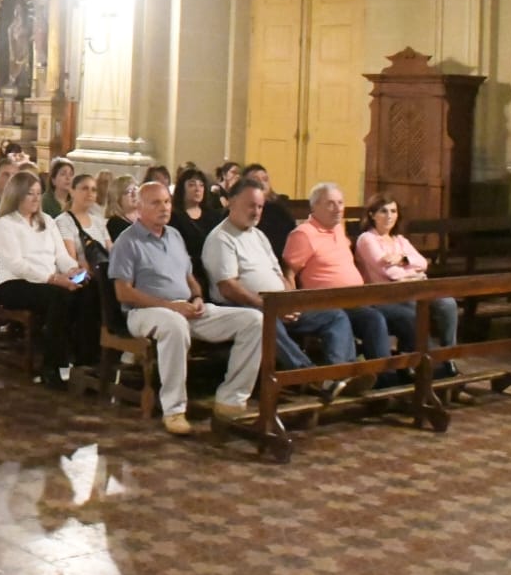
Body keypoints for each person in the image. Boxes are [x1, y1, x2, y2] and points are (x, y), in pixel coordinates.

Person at [109, 183, 263, 436]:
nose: (164, 208)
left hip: (185, 307)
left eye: (167, 202)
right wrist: (170, 306)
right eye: (156, 203)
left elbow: (189, 277)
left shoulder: (174, 235)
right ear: (140, 207)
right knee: (175, 324)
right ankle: (174, 410)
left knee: (254, 320)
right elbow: (123, 292)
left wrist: (198, 297)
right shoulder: (127, 241)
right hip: (144, 311)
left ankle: (231, 399)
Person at [202, 178, 369, 401]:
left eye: (260, 207)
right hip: (245, 307)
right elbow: (228, 287)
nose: (256, 212)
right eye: (251, 205)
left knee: (334, 316)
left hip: (278, 304)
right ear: (231, 202)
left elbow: (279, 273)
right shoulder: (221, 238)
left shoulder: (258, 236)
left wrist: (290, 301)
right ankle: (310, 376)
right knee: (265, 321)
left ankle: (339, 374)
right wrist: (269, 306)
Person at [283, 183, 411, 383]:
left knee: (405, 315)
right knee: (372, 319)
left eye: (340, 203)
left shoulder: (338, 228)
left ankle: (417, 371)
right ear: (315, 206)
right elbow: (288, 271)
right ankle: (381, 380)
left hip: (357, 296)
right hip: (328, 302)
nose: (338, 209)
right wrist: (291, 302)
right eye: (330, 204)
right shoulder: (303, 234)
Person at [0, 171, 91, 390]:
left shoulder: (47, 221)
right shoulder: (4, 224)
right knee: (59, 297)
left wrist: (73, 270)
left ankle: (83, 360)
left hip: (49, 281)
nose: (36, 198)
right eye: (30, 194)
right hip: (14, 283)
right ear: (16, 195)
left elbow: (60, 255)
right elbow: (16, 264)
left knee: (87, 290)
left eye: (38, 193)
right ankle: (52, 367)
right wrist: (53, 279)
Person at [355, 193, 458, 373]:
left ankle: (448, 355)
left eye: (393, 211)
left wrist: (403, 259)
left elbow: (423, 263)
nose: (389, 216)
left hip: (413, 289)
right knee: (416, 312)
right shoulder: (367, 239)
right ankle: (428, 364)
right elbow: (389, 272)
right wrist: (413, 275)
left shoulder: (399, 240)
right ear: (372, 215)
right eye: (383, 211)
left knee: (447, 303)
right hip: (386, 295)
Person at [168, 167, 218, 292]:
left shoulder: (213, 216)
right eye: (192, 185)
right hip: (188, 273)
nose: (197, 189)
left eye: (201, 185)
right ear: (182, 189)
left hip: (212, 269)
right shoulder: (174, 217)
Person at [55, 174, 112, 269]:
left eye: (94, 190)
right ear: (72, 191)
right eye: (85, 188)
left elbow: (111, 250)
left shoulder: (98, 221)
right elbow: (70, 259)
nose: (90, 193)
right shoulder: (63, 221)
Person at [243, 164, 297, 261]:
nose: (261, 183)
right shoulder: (239, 211)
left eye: (265, 179)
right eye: (255, 179)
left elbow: (291, 239)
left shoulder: (280, 211)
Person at [105, 175, 141, 242]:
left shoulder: (148, 217)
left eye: (135, 189)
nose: (134, 194)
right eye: (128, 191)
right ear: (117, 198)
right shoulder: (115, 224)